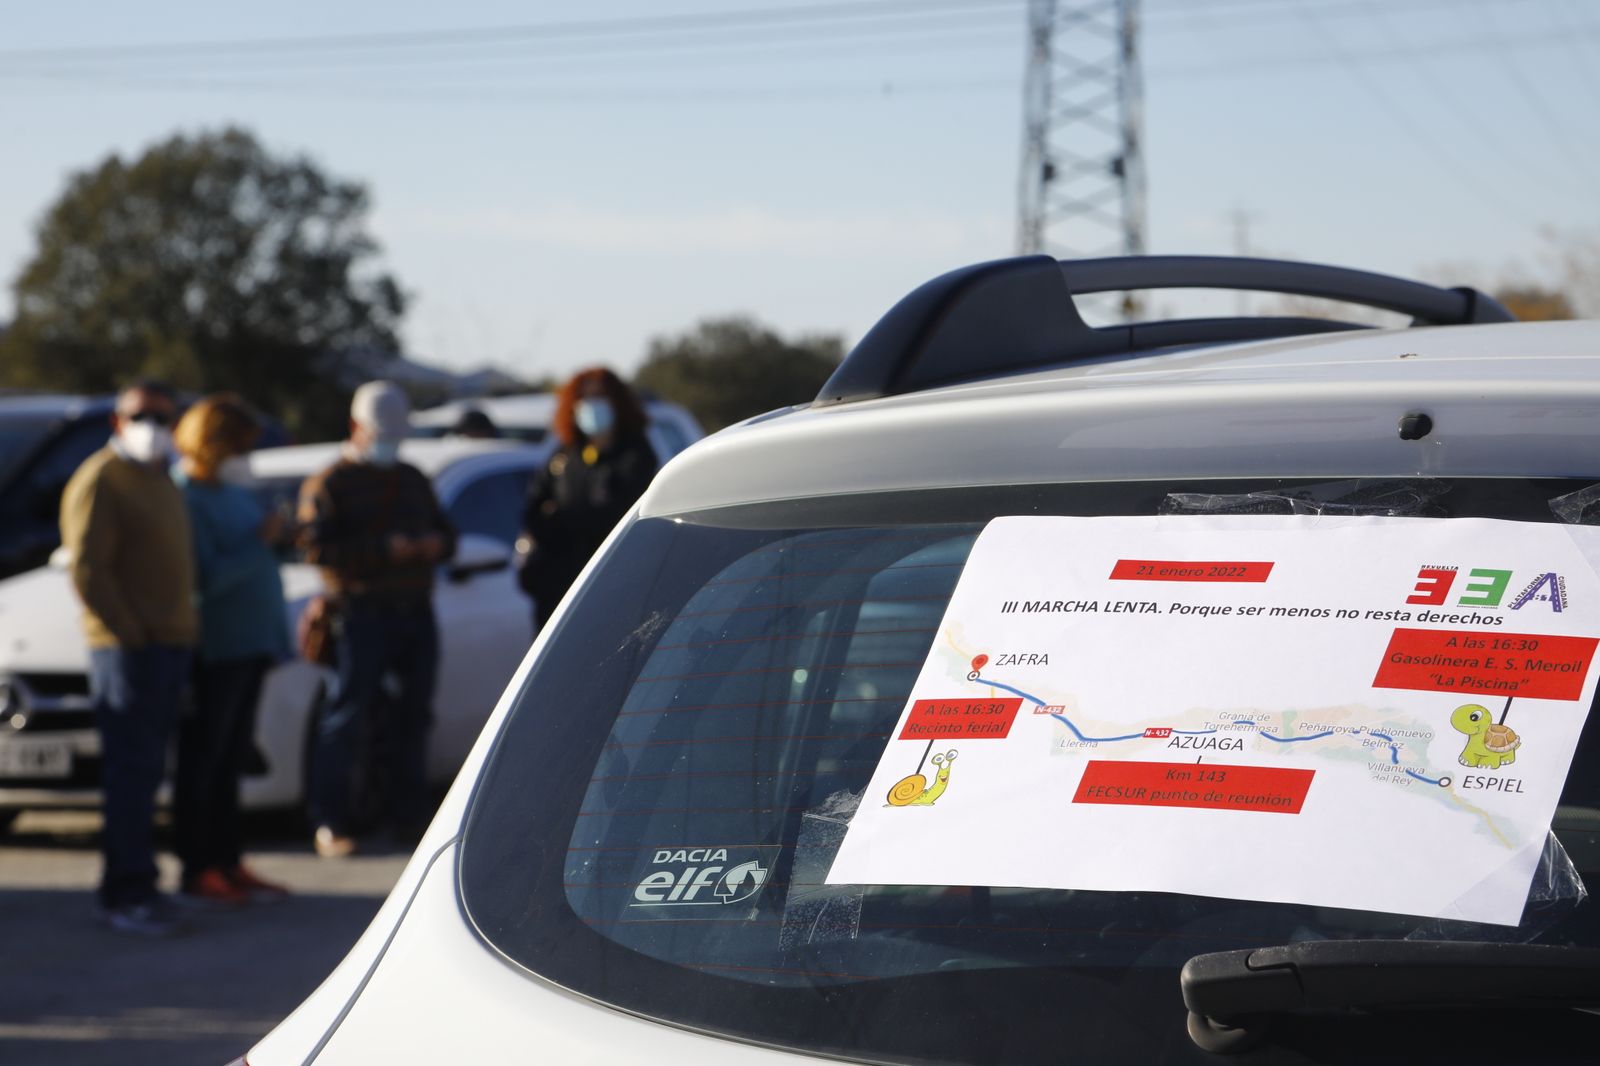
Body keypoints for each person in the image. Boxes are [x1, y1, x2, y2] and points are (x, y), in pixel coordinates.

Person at [59, 380, 197, 936]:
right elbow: (88, 570)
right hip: (129, 651)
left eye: (164, 417)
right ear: (118, 421)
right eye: (143, 416)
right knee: (131, 775)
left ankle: (143, 884)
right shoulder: (102, 478)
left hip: (168, 644)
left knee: (148, 773)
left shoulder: (159, 475)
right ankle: (126, 893)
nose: (154, 427)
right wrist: (131, 632)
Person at [298, 381, 456, 858]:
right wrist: (381, 551)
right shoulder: (330, 483)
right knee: (346, 717)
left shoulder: (411, 478)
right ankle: (330, 820)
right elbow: (315, 548)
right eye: (380, 434)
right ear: (356, 427)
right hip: (360, 613)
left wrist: (432, 546)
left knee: (414, 716)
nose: (389, 444)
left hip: (414, 611)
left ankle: (409, 819)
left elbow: (448, 535)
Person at [170, 395, 292, 906]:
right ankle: (199, 866)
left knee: (229, 760)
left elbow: (260, 560)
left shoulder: (232, 492)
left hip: (252, 644)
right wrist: (260, 541)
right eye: (239, 447)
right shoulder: (187, 497)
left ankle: (228, 860)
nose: (246, 457)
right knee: (205, 759)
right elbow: (205, 579)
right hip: (218, 648)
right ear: (214, 445)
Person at [517, 368, 658, 627]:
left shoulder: (636, 454)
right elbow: (533, 511)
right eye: (585, 398)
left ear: (617, 402)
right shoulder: (563, 457)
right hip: (559, 591)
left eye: (600, 397)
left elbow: (617, 513)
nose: (592, 405)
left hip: (612, 583)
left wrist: (563, 517)